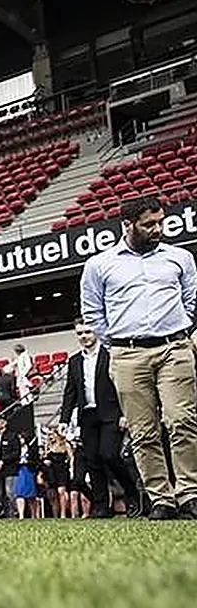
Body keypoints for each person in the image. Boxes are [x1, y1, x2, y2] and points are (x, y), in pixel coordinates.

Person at [79, 195, 197, 519]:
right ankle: (161, 498)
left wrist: (176, 333)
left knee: (182, 420)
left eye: (160, 222)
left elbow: (190, 302)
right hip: (128, 354)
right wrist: (119, 343)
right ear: (127, 225)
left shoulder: (181, 258)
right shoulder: (99, 265)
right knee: (143, 431)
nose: (157, 229)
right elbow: (93, 313)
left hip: (174, 348)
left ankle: (189, 493)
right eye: (149, 224)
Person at [57, 318, 143, 518]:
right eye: (79, 333)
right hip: (87, 415)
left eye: (87, 332)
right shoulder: (74, 361)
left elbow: (122, 386)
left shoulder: (111, 355)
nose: (84, 336)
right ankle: (101, 506)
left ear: (96, 332)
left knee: (109, 455)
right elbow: (70, 392)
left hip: (111, 414)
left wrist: (124, 413)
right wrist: (64, 419)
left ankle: (132, 494)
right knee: (93, 461)